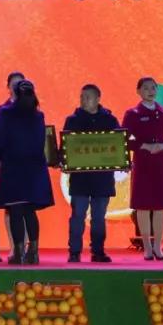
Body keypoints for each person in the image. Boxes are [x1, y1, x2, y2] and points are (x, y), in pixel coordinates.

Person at [121, 77, 163, 260]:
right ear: (138, 91)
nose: (150, 91)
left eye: (153, 88)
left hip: (162, 163)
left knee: (160, 206)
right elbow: (122, 140)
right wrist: (142, 146)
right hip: (142, 163)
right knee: (142, 206)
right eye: (146, 88)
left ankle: (158, 247)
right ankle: (147, 247)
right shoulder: (132, 114)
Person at [0, 80, 54, 265]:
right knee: (29, 211)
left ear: (15, 93)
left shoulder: (5, 113)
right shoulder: (38, 115)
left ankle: (18, 253)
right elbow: (41, 142)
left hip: (13, 168)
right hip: (35, 169)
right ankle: (33, 252)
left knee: (15, 211)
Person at [63, 84, 120, 263]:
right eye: (81, 97)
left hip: (102, 179)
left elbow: (118, 146)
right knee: (78, 216)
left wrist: (123, 161)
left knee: (99, 218)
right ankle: (74, 252)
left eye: (87, 97)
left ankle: (98, 252)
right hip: (80, 179)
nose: (83, 100)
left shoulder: (110, 120)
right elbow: (65, 148)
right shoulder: (72, 120)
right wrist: (63, 160)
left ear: (97, 99)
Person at [0, 71, 26, 260]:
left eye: (20, 83)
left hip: (27, 167)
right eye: (13, 84)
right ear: (8, 87)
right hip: (8, 166)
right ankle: (14, 247)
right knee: (10, 208)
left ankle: (26, 247)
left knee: (26, 208)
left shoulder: (32, 108)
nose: (17, 87)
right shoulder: (0, 110)